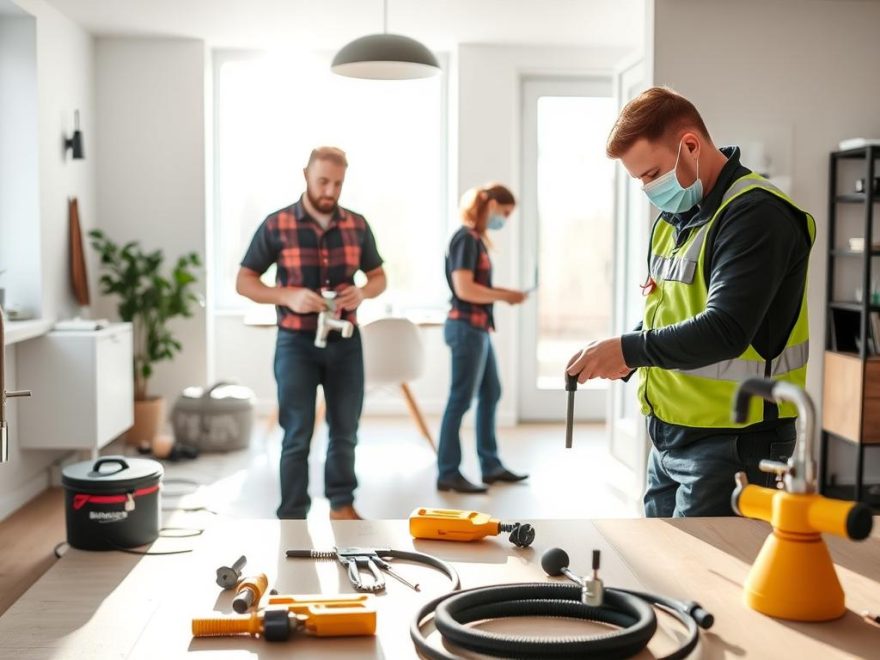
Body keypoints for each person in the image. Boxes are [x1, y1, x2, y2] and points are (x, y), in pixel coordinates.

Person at [566, 87, 814, 517]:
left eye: (651, 174)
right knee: (663, 576)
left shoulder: (756, 214)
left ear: (691, 145)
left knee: (706, 581)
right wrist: (623, 355)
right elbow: (671, 315)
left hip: (734, 444)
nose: (647, 188)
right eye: (640, 179)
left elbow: (726, 329)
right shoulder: (675, 220)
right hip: (667, 439)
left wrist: (628, 348)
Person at [236, 146, 386, 520]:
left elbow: (379, 276)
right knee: (297, 433)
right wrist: (286, 294)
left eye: (337, 183)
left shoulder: (357, 225)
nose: (330, 191)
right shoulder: (277, 224)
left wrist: (363, 291)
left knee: (345, 430)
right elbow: (244, 281)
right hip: (295, 344)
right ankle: (292, 513)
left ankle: (342, 504)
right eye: (323, 181)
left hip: (346, 343)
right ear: (306, 174)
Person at [437, 184, 530, 494]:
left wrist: (505, 294)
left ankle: (490, 466)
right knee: (460, 399)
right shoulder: (465, 238)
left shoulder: (475, 240)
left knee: (491, 391)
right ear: (490, 205)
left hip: (477, 329)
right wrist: (505, 296)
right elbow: (465, 289)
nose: (503, 220)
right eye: (504, 214)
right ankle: (448, 471)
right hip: (465, 329)